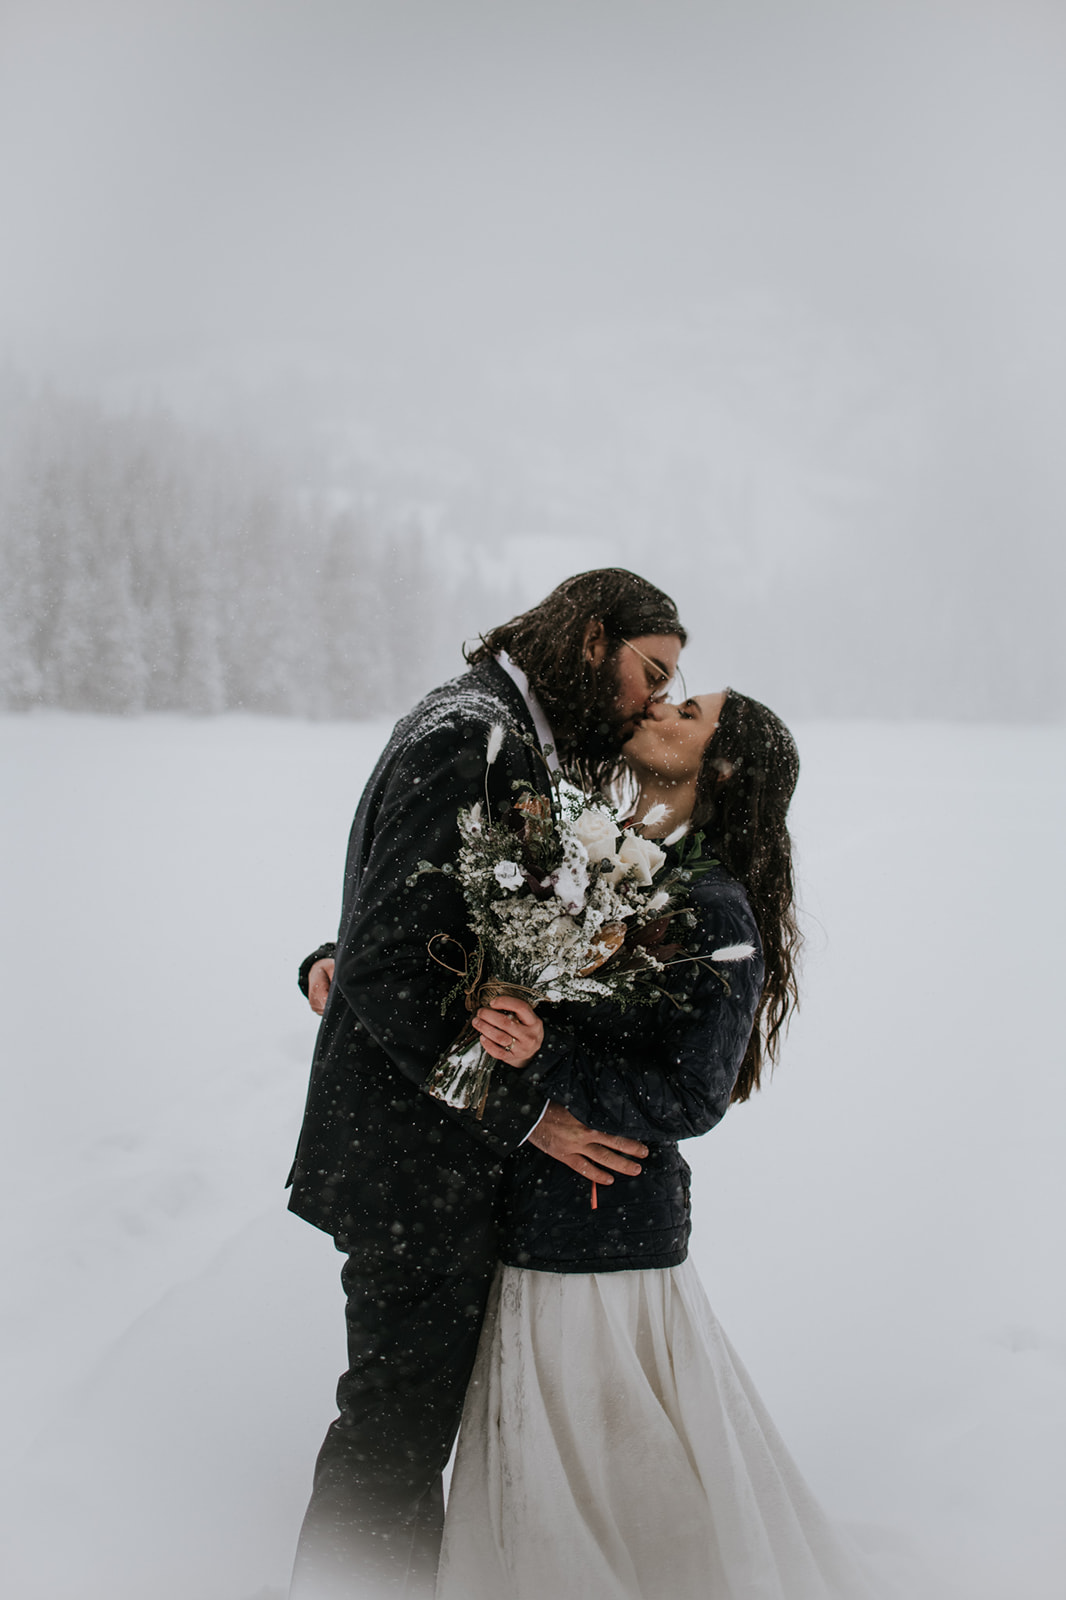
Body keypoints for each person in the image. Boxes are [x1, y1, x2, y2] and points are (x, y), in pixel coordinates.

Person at [287, 569, 687, 1600]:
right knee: (394, 1430)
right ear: (593, 638)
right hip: (410, 1156)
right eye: (651, 674)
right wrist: (533, 1115)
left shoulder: (499, 723)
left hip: (427, 1150)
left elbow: (407, 925)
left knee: (408, 1422)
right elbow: (387, 968)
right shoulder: (474, 733)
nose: (653, 701)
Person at [436, 689, 879, 1600]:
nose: (660, 706)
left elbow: (691, 1094)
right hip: (542, 1222)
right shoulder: (612, 866)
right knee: (566, 1479)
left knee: (619, 1493)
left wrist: (546, 1053)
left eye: (690, 710)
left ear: (719, 767)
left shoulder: (710, 906)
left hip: (607, 1239)